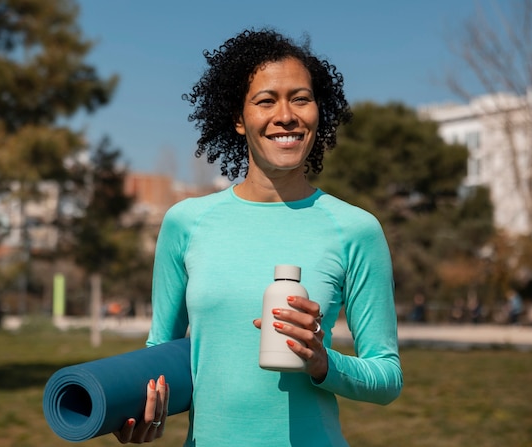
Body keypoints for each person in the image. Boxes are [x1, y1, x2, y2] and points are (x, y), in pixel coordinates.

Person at [113, 28, 403, 446]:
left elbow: (387, 377)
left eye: (300, 98)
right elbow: (163, 354)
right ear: (237, 117)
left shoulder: (356, 229)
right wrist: (143, 408)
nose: (286, 115)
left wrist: (323, 363)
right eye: (266, 100)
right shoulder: (186, 222)